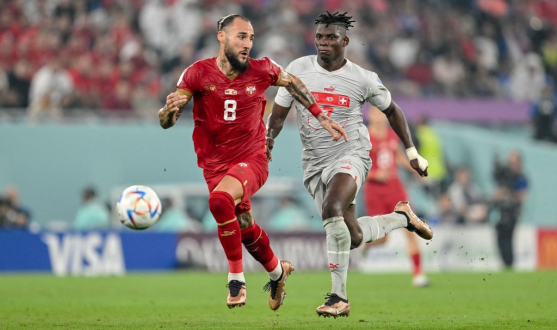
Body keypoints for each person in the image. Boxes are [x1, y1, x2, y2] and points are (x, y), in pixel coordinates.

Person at [157, 14, 347, 310]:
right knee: (244, 226)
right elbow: (167, 121)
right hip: (214, 165)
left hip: (252, 159)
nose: (248, 44)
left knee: (220, 202)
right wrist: (169, 111)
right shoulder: (196, 74)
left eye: (251, 38)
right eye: (241, 37)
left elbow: (294, 83)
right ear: (222, 37)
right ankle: (277, 271)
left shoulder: (262, 70)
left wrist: (320, 114)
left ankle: (236, 279)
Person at [267, 12, 433, 318]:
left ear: (345, 41)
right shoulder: (297, 69)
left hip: (351, 153)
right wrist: (268, 140)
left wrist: (411, 151)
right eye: (319, 37)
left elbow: (393, 110)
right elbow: (278, 112)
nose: (324, 42)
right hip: (314, 162)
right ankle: (401, 218)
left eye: (331, 37)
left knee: (332, 210)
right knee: (353, 236)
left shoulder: (362, 78)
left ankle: (338, 298)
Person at [361, 107, 429, 287]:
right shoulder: (364, 138)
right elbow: (357, 168)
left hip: (395, 189)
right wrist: (375, 175)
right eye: (376, 113)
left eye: (382, 113)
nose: (380, 116)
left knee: (411, 229)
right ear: (369, 115)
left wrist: (414, 169)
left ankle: (418, 274)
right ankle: (366, 245)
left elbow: (398, 156)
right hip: (374, 192)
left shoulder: (391, 135)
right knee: (382, 238)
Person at [492, 150, 528, 269]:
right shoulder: (505, 176)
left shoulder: (521, 178)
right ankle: (505, 263)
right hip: (501, 212)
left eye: (513, 162)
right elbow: (497, 193)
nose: (511, 165)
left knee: (508, 239)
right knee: (500, 238)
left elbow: (521, 196)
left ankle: (509, 263)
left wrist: (506, 193)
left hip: (512, 213)